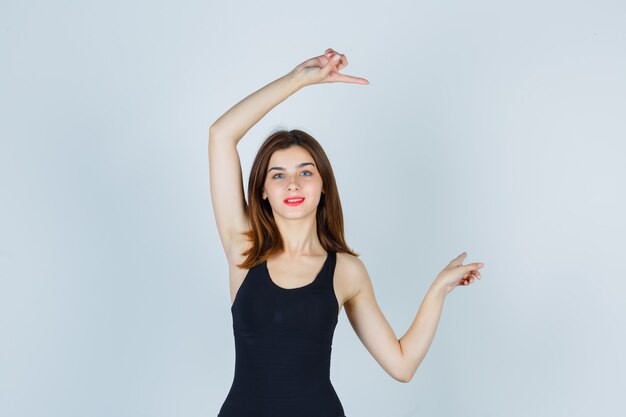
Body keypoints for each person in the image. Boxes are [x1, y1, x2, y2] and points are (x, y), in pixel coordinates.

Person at [208, 48, 485, 417]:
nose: (292, 184)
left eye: (305, 172)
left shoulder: (345, 271)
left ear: (323, 186)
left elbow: (401, 365)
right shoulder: (244, 250)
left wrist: (438, 290)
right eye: (278, 175)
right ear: (261, 189)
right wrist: (299, 79)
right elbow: (220, 134)